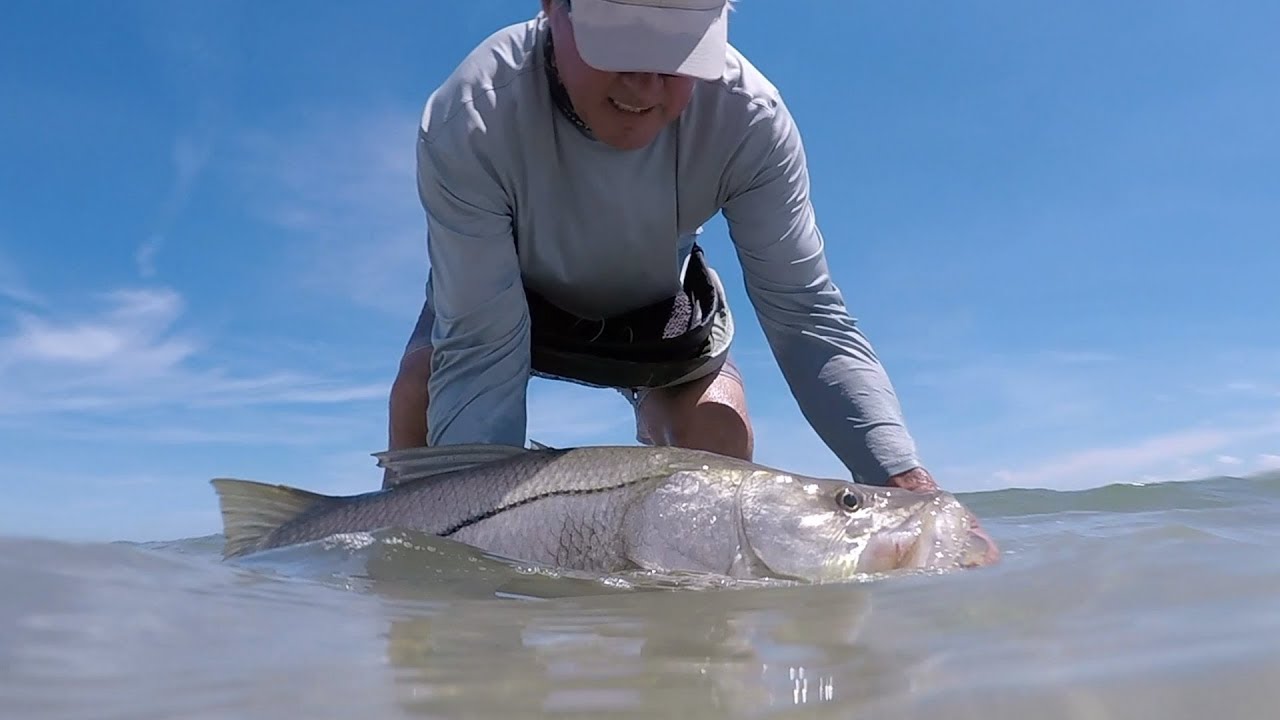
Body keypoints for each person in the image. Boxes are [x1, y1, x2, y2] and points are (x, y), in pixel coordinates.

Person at [387, 0, 941, 497]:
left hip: (656, 316)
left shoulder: (751, 120)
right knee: (423, 412)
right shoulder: (470, 115)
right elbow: (481, 345)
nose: (645, 87)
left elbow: (804, 312)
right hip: (502, 302)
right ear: (554, 7)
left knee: (716, 435)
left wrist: (901, 479)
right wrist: (465, 556)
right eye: (621, 47)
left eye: (678, 54)